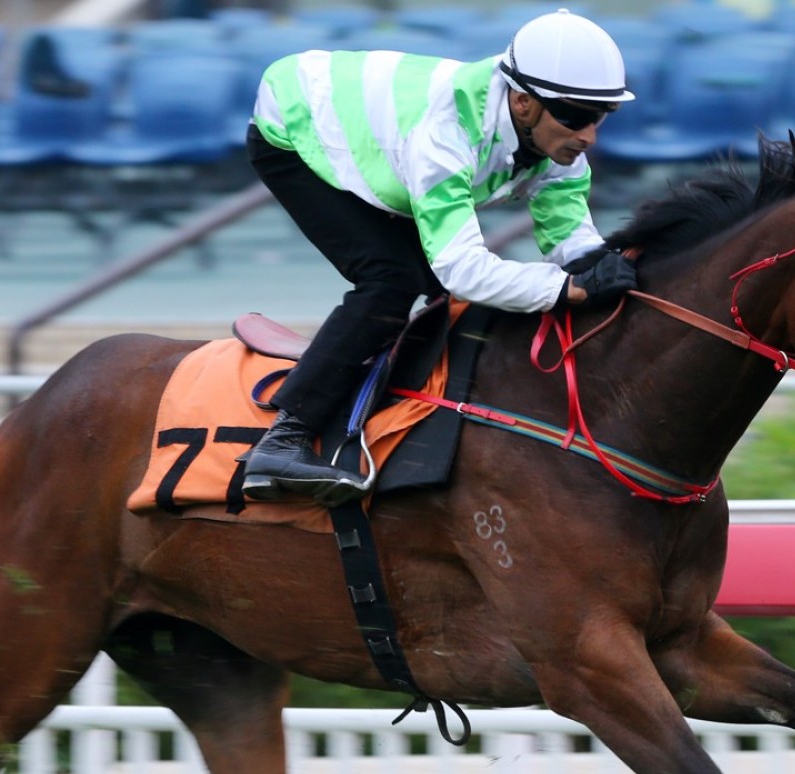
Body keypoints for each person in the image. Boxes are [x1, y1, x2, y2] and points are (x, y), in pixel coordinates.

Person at [241, 8, 639, 506]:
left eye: (600, 116)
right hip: (296, 128)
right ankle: (283, 440)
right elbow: (465, 269)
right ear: (522, 102)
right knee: (392, 282)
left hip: (387, 145)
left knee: (435, 287)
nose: (588, 136)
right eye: (575, 117)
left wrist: (608, 270)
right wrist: (565, 288)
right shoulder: (446, 132)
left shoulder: (557, 144)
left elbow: (570, 243)